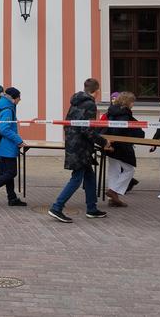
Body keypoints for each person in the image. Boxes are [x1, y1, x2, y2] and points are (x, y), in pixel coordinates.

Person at [48, 78, 112, 223]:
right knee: (77, 178)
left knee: (89, 176)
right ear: (96, 91)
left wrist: (71, 140)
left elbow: (67, 123)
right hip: (81, 147)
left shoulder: (75, 102)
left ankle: (92, 209)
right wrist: (103, 142)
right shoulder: (90, 105)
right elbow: (87, 129)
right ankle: (56, 207)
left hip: (74, 144)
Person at [102, 92, 144, 207]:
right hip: (121, 146)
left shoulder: (112, 111)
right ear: (127, 102)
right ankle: (114, 191)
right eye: (132, 102)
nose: (133, 104)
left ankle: (113, 199)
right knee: (129, 170)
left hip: (110, 145)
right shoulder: (124, 114)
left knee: (113, 170)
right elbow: (118, 130)